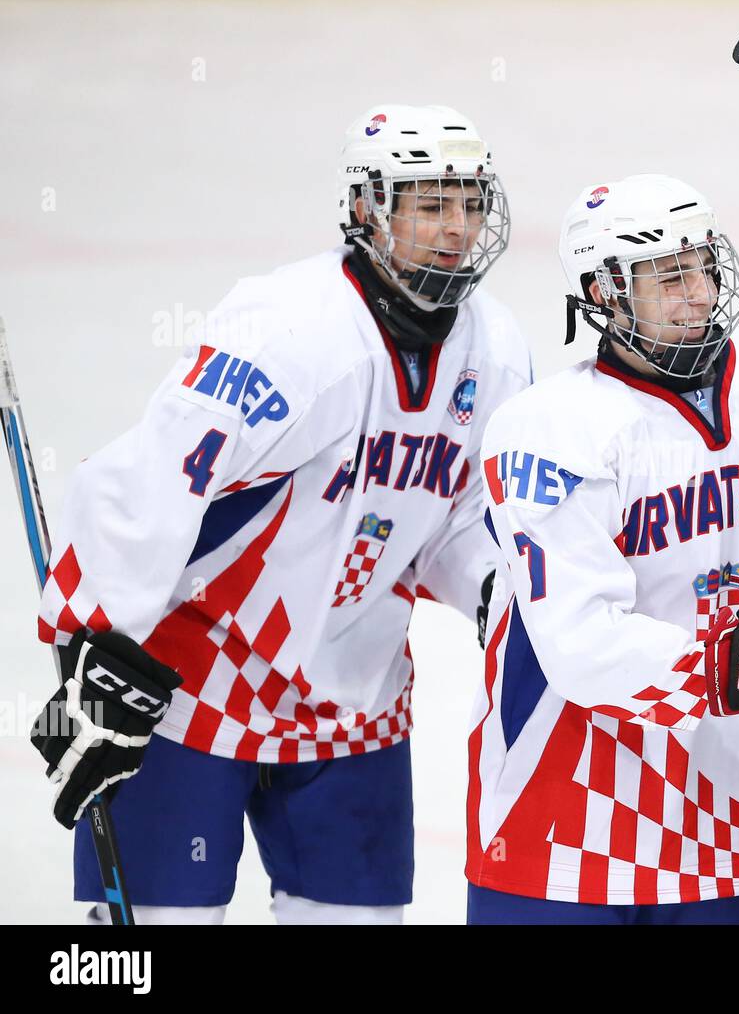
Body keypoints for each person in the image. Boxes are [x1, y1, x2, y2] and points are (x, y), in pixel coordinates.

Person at [29, 104, 531, 925]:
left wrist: (491, 588)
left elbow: (457, 517)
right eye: (430, 204)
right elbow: (155, 476)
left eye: (470, 202)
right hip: (192, 684)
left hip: (356, 698)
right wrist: (91, 641)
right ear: (370, 208)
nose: (456, 228)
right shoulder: (294, 330)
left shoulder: (497, 350)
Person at [463, 174, 739, 925]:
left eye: (703, 263)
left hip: (732, 822)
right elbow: (583, 647)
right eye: (668, 276)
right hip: (564, 832)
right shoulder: (547, 429)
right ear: (605, 291)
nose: (698, 292)